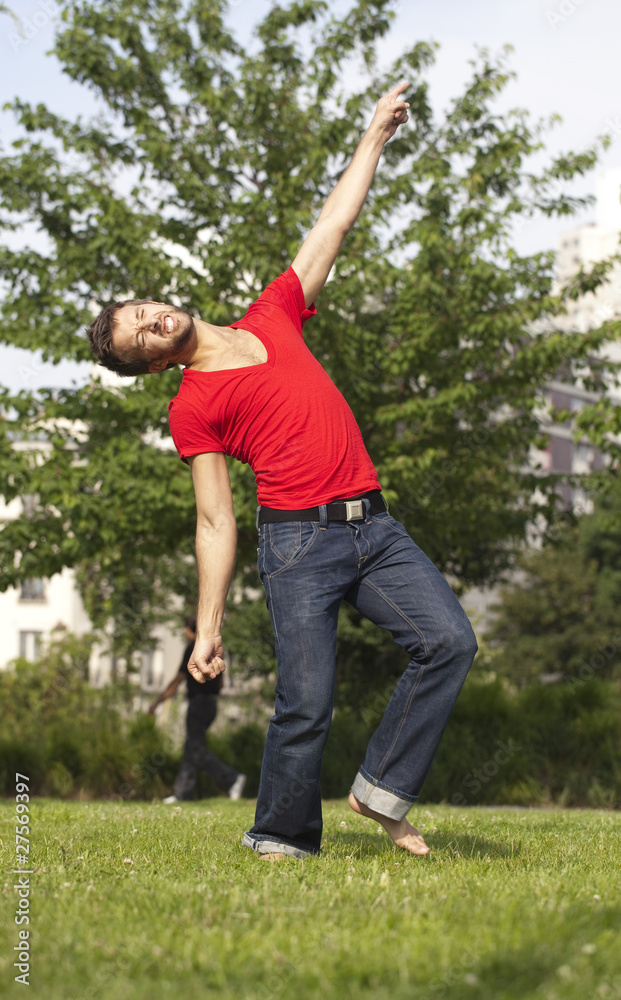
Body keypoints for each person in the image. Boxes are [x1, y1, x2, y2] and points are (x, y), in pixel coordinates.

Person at [87, 81, 478, 860]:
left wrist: (373, 135)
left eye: (145, 310)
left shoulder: (272, 311)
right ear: (155, 363)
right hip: (297, 546)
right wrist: (208, 624)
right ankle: (279, 837)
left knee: (450, 642)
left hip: (377, 528)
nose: (154, 320)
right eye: (142, 335)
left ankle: (378, 792)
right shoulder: (192, 406)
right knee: (305, 703)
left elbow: (332, 225)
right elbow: (213, 520)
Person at [149, 615, 246, 803]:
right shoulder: (213, 651)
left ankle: (232, 778)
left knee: (195, 750)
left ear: (188, 629)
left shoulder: (192, 649)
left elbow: (177, 681)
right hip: (211, 704)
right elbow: (222, 682)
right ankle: (182, 793)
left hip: (198, 704)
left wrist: (158, 702)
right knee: (191, 746)